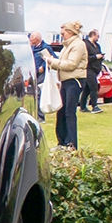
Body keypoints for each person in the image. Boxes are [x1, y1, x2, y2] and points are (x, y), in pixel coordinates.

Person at [44, 21, 87, 149]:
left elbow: (71, 64)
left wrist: (53, 62)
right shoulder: (67, 46)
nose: (62, 35)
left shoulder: (78, 45)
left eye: (63, 33)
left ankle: (71, 143)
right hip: (66, 80)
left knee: (69, 112)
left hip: (75, 80)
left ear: (70, 32)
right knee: (61, 111)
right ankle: (62, 141)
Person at [82, 29, 105, 113]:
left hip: (95, 70)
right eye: (97, 36)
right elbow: (85, 58)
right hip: (88, 69)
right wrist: (96, 57)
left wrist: (101, 57)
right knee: (94, 87)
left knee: (87, 89)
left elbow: (99, 54)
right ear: (93, 35)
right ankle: (94, 106)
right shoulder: (86, 44)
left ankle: (83, 106)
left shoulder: (97, 45)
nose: (98, 38)